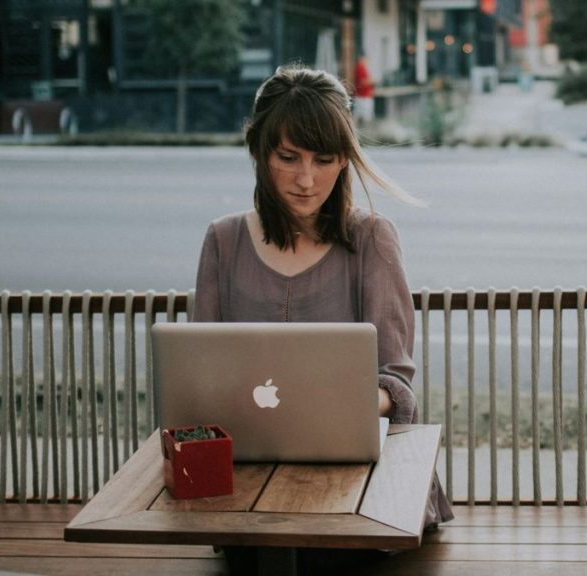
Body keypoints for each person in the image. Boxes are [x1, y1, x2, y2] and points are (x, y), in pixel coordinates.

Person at [192, 64, 452, 573]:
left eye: (324, 159)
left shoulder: (372, 239)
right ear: (259, 152)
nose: (306, 180)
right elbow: (200, 374)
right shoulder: (223, 241)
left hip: (359, 487)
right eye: (288, 158)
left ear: (345, 161)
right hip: (247, 484)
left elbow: (396, 385)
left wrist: (333, 403)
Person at [352, 54, 376, 125]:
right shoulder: (360, 68)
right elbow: (362, 82)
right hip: (362, 96)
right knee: (362, 115)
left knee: (363, 115)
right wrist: (371, 81)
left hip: (365, 95)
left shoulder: (363, 68)